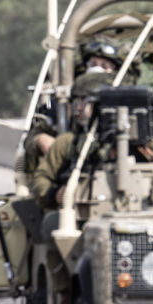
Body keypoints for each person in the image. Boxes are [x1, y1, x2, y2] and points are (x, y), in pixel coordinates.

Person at [31, 72, 114, 210]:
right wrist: (56, 194)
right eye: (77, 102)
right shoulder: (68, 142)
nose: (78, 108)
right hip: (74, 214)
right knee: (50, 222)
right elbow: (41, 179)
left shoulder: (133, 143)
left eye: (85, 102)